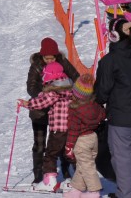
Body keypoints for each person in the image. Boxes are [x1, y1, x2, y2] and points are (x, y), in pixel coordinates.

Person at [95, 19, 131, 198]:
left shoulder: (109, 61)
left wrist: (94, 100)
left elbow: (101, 92)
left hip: (121, 116)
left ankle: (126, 194)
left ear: (113, 35)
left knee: (122, 157)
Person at [26, 38, 80, 184]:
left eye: (52, 57)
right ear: (42, 56)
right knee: (40, 143)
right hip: (41, 110)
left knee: (61, 142)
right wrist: (48, 94)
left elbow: (76, 78)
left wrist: (69, 93)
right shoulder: (36, 66)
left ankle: (65, 169)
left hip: (61, 111)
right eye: (47, 58)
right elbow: (31, 87)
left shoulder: (62, 62)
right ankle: (38, 173)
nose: (50, 60)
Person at [20, 62, 74, 192]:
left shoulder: (54, 90)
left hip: (58, 129)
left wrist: (27, 104)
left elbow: (42, 102)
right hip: (71, 128)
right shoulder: (69, 89)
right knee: (70, 153)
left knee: (50, 154)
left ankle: (50, 181)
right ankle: (77, 179)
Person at [64, 74, 105, 198]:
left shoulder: (74, 110)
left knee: (87, 166)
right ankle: (77, 189)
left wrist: (69, 146)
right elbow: (102, 115)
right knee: (83, 164)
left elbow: (73, 130)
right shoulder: (95, 106)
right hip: (93, 138)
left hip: (81, 141)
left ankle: (94, 191)